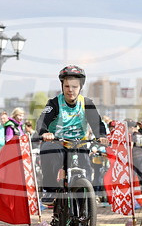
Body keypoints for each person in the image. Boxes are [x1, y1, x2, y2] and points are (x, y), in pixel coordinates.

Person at [35, 65, 108, 203]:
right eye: (67, 86)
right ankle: (50, 190)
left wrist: (102, 136)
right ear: (62, 86)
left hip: (79, 143)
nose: (70, 90)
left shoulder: (86, 103)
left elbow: (97, 123)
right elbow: (42, 122)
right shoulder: (54, 103)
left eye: (74, 86)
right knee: (47, 150)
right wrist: (45, 133)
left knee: (87, 174)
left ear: (80, 87)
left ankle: (85, 206)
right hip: (57, 143)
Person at [127, 119, 142, 201]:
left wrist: (127, 155)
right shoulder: (140, 134)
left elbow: (130, 146)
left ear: (130, 127)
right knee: (141, 174)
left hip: (134, 156)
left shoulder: (133, 135)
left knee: (133, 175)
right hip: (140, 155)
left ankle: (136, 194)